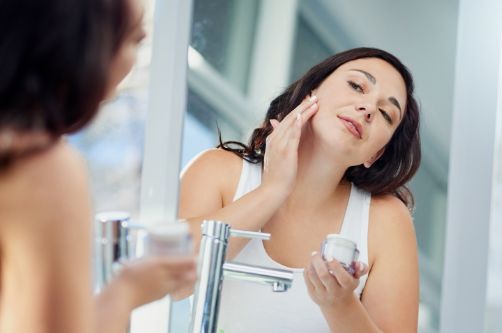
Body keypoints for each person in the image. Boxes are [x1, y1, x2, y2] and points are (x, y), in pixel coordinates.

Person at [179, 47, 421, 332]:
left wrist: (340, 305)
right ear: (310, 93)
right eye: (356, 86)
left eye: (385, 114)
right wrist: (273, 190)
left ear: (375, 154)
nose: (368, 109)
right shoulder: (218, 172)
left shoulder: (386, 221)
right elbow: (171, 282)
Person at [0, 0, 196, 333]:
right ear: (80, 44)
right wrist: (125, 292)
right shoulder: (43, 169)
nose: (133, 62)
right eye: (134, 39)